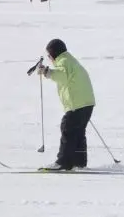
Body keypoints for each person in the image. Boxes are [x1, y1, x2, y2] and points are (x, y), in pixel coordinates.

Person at [38, 39, 96, 170]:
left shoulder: (64, 62)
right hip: (86, 103)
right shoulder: (69, 60)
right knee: (78, 132)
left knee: (68, 129)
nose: (49, 58)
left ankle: (63, 162)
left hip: (77, 104)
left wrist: (47, 72)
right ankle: (79, 162)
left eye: (49, 55)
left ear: (53, 54)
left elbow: (62, 76)